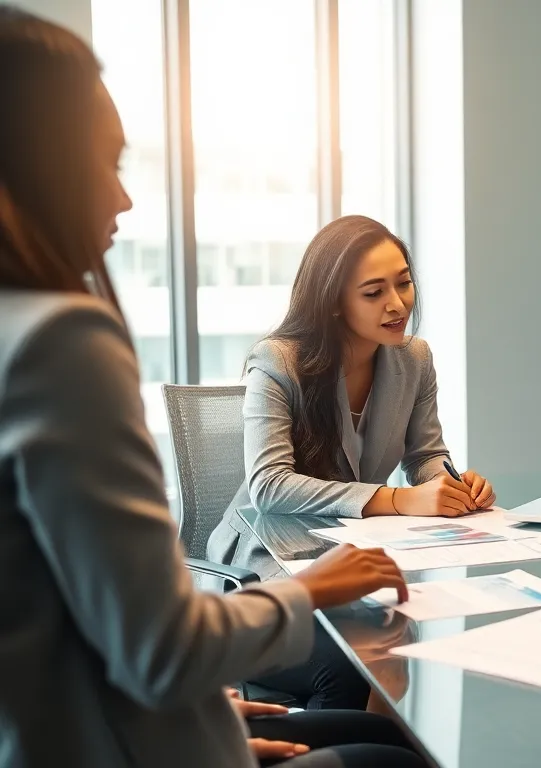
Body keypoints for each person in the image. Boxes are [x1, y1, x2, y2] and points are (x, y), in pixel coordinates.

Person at [0, 7, 425, 766]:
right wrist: (317, 587)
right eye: (107, 164)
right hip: (132, 734)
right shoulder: (58, 342)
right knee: (396, 754)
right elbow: (163, 650)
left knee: (387, 732)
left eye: (403, 283)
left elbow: (65, 620)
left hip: (104, 724)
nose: (123, 199)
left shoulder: (411, 359)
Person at [207, 214, 497, 710]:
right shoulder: (278, 362)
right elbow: (269, 484)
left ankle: (368, 746)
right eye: (374, 292)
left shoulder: (414, 359)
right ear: (334, 302)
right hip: (268, 570)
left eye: (403, 283)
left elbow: (427, 455)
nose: (397, 303)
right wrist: (398, 499)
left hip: (361, 561)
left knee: (404, 654)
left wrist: (451, 486)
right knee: (359, 665)